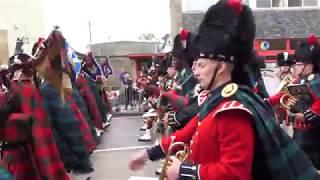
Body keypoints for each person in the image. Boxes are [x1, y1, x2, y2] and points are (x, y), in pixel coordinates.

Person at [129, 1, 319, 179]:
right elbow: (186, 133)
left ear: (220, 68)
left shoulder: (232, 110)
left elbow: (235, 172)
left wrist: (184, 170)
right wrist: (148, 154)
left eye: (202, 65)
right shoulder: (216, 101)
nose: (195, 72)